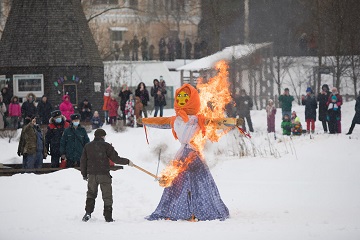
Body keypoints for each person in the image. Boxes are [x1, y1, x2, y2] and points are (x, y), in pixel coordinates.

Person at [142, 84, 231, 221]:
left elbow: (216, 122)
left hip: (194, 155)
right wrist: (145, 121)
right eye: (180, 96)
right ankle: (178, 210)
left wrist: (233, 122)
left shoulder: (198, 119)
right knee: (178, 184)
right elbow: (161, 121)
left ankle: (201, 210)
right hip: (182, 155)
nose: (182, 99)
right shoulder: (176, 120)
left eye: (186, 96)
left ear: (192, 99)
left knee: (200, 184)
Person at [80, 128, 134, 222]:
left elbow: (83, 161)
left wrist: (84, 174)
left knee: (91, 194)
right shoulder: (106, 146)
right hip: (104, 174)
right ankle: (108, 217)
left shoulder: (88, 146)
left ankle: (88, 213)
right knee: (107, 195)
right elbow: (116, 159)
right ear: (103, 136)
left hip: (92, 174)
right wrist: (127, 162)